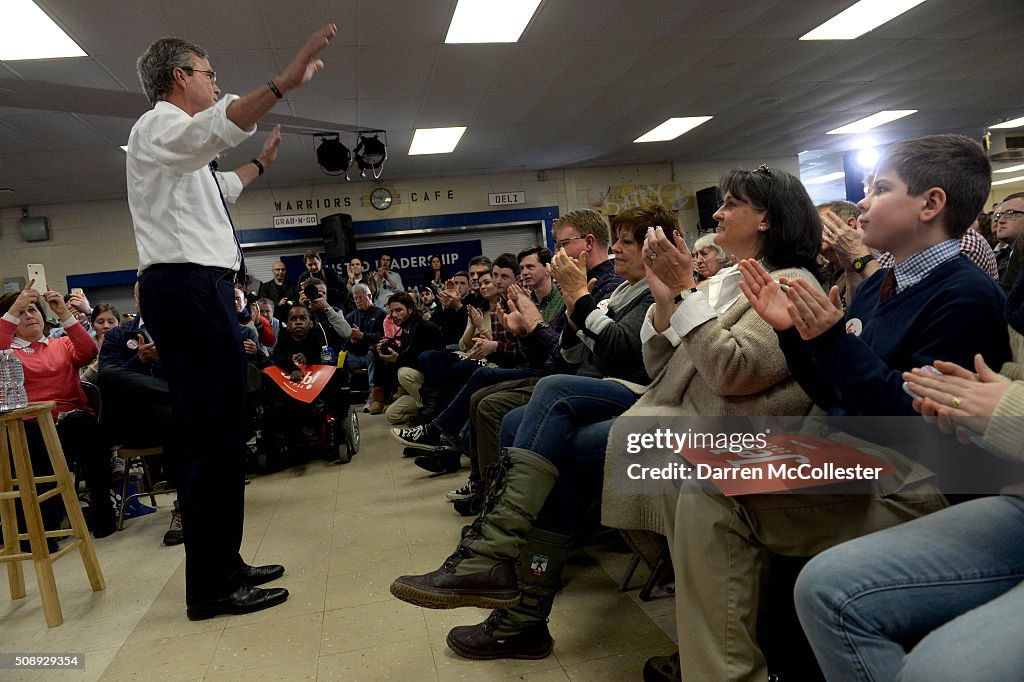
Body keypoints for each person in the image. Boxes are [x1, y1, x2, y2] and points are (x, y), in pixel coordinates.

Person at [390, 204, 667, 660]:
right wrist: (571, 312)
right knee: (517, 418)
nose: (615, 248)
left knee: (540, 399)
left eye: (627, 242)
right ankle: (518, 605)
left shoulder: (644, 290)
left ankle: (495, 551)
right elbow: (575, 355)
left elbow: (612, 356)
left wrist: (571, 304)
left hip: (639, 397)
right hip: (601, 386)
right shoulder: (620, 291)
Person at [127, 24, 337, 620]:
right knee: (212, 436)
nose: (216, 83)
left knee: (225, 429)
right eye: (209, 73)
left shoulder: (180, 152)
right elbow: (210, 130)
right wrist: (281, 84)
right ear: (179, 78)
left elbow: (220, 185)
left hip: (201, 290)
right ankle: (212, 588)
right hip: (187, 289)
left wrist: (260, 169)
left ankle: (227, 563)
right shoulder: (160, 126)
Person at [793, 268, 1024, 681]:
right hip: (863, 445)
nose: (862, 207)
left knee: (935, 668)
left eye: (880, 196)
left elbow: (895, 418)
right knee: (821, 585)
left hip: (908, 461)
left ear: (931, 203)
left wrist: (1001, 409)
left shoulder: (965, 291)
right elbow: (836, 392)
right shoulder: (874, 285)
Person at [0, 287, 116, 540]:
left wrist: (63, 312)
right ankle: (45, 525)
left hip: (70, 424)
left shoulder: (61, 343)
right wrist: (13, 309)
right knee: (30, 432)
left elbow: (89, 353)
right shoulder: (6, 352)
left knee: (81, 421)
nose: (29, 316)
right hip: (31, 427)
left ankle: (102, 512)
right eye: (21, 312)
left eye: (33, 310)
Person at [343, 283, 387, 412]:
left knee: (372, 354)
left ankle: (373, 397)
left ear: (369, 295)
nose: (357, 301)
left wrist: (362, 336)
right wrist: (352, 339)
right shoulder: (350, 317)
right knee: (340, 356)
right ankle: (344, 396)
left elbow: (382, 337)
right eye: (355, 298)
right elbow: (345, 344)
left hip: (372, 355)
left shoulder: (381, 314)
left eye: (360, 298)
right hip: (355, 356)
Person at [80, 303, 121, 383]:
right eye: (100, 322)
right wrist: (98, 362)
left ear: (118, 324)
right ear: (92, 326)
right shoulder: (84, 349)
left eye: (111, 322)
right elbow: (81, 383)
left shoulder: (128, 345)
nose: (106, 326)